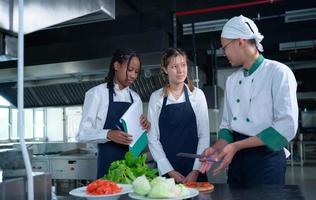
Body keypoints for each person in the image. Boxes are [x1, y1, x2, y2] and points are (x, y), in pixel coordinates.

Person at [199, 15, 298, 185]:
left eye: (225, 47)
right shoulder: (231, 81)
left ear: (240, 41)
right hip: (237, 160)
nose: (224, 53)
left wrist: (236, 146)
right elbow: (227, 128)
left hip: (267, 159)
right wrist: (216, 148)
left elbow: (285, 127)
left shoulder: (278, 72)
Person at [76, 48, 150, 178]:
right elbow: (82, 133)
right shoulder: (97, 94)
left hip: (133, 168)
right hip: (108, 166)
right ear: (116, 65)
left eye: (136, 72)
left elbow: (137, 137)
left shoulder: (136, 98)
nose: (133, 75)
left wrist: (145, 128)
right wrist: (108, 134)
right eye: (130, 69)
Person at [147, 47, 210, 183]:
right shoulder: (156, 98)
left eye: (183, 65)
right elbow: (153, 138)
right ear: (165, 69)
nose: (181, 71)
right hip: (167, 172)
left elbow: (204, 135)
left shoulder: (197, 95)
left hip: (195, 170)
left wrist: (195, 171)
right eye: (174, 66)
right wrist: (169, 171)